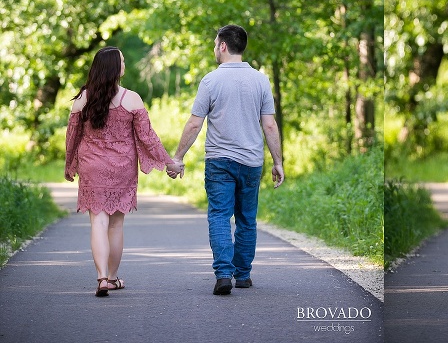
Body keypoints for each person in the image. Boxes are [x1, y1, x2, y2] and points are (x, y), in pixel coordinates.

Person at [168, 24, 285, 295]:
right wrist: (278, 161)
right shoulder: (260, 80)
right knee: (247, 218)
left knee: (220, 216)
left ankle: (223, 274)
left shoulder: (211, 80)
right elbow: (269, 125)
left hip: (219, 161)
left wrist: (178, 156)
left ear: (222, 45)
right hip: (252, 162)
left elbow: (194, 124)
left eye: (214, 43)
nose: (214, 48)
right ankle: (242, 275)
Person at [64, 46, 182, 297]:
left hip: (91, 165)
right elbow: (148, 138)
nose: (125, 64)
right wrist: (169, 162)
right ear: (114, 67)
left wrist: (69, 164)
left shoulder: (81, 100)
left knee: (98, 220)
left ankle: (101, 278)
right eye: (123, 60)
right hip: (122, 168)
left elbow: (72, 137)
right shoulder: (132, 99)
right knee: (116, 225)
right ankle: (114, 277)